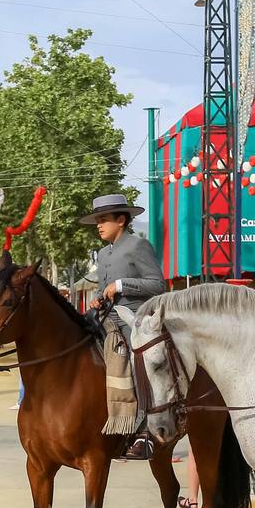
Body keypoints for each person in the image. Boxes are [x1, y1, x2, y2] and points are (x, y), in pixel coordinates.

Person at [82, 192, 167, 460]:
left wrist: (121, 285)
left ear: (121, 220)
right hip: (107, 317)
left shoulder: (138, 246)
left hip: (134, 317)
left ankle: (143, 433)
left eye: (104, 219)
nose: (99, 224)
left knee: (136, 361)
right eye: (98, 220)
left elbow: (157, 284)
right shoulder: (104, 253)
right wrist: (97, 300)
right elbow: (102, 288)